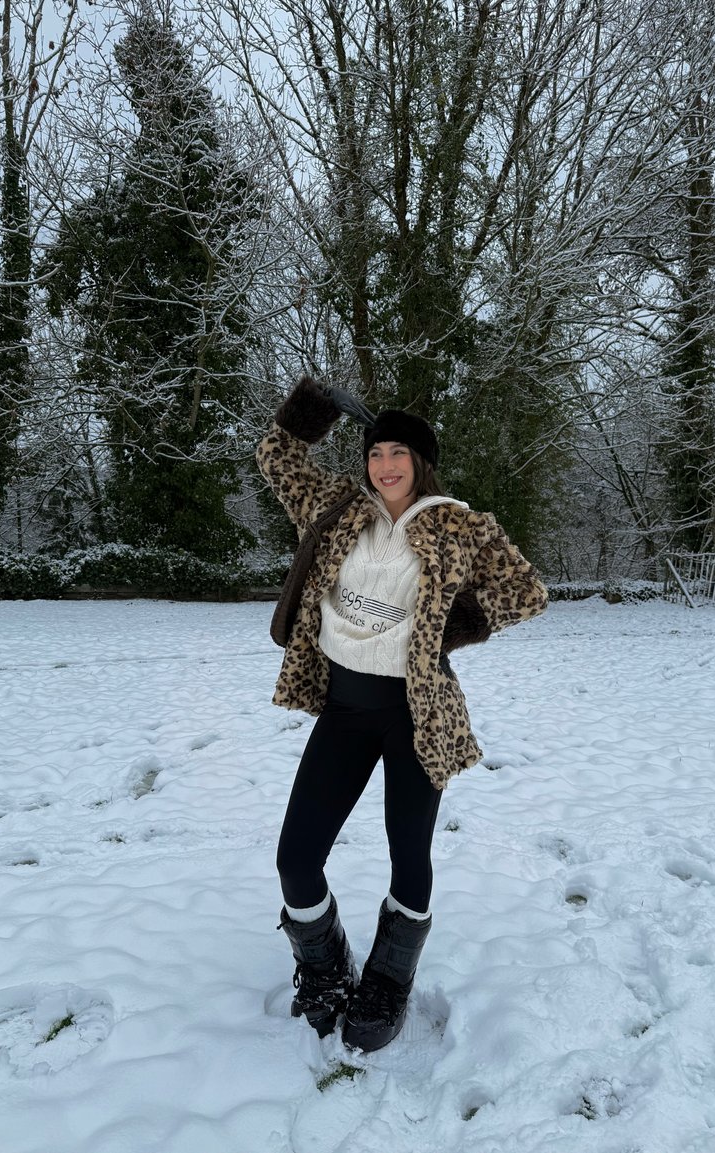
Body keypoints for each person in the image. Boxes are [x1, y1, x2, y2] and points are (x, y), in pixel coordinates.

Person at [256, 375, 548, 1052]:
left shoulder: (459, 525)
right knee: (296, 859)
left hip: (416, 715)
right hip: (345, 709)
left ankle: (389, 977)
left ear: (421, 462)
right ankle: (324, 968)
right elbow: (276, 455)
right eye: (375, 452)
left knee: (407, 857)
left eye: (399, 454)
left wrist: (446, 628)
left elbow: (525, 590)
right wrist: (316, 407)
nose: (384, 465)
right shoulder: (334, 508)